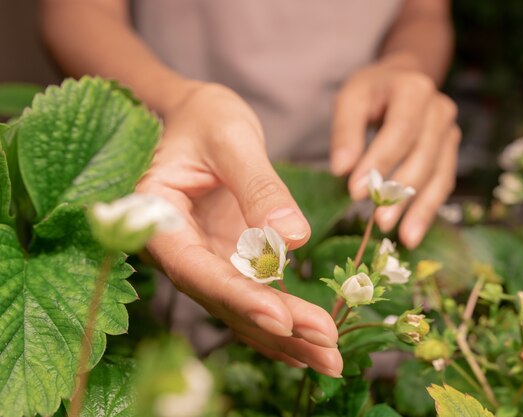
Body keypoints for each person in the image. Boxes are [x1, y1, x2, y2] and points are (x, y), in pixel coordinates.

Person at [40, 0, 460, 378]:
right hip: (189, 182)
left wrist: (408, 66)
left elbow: (424, 13)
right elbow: (74, 11)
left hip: (357, 184)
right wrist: (173, 102)